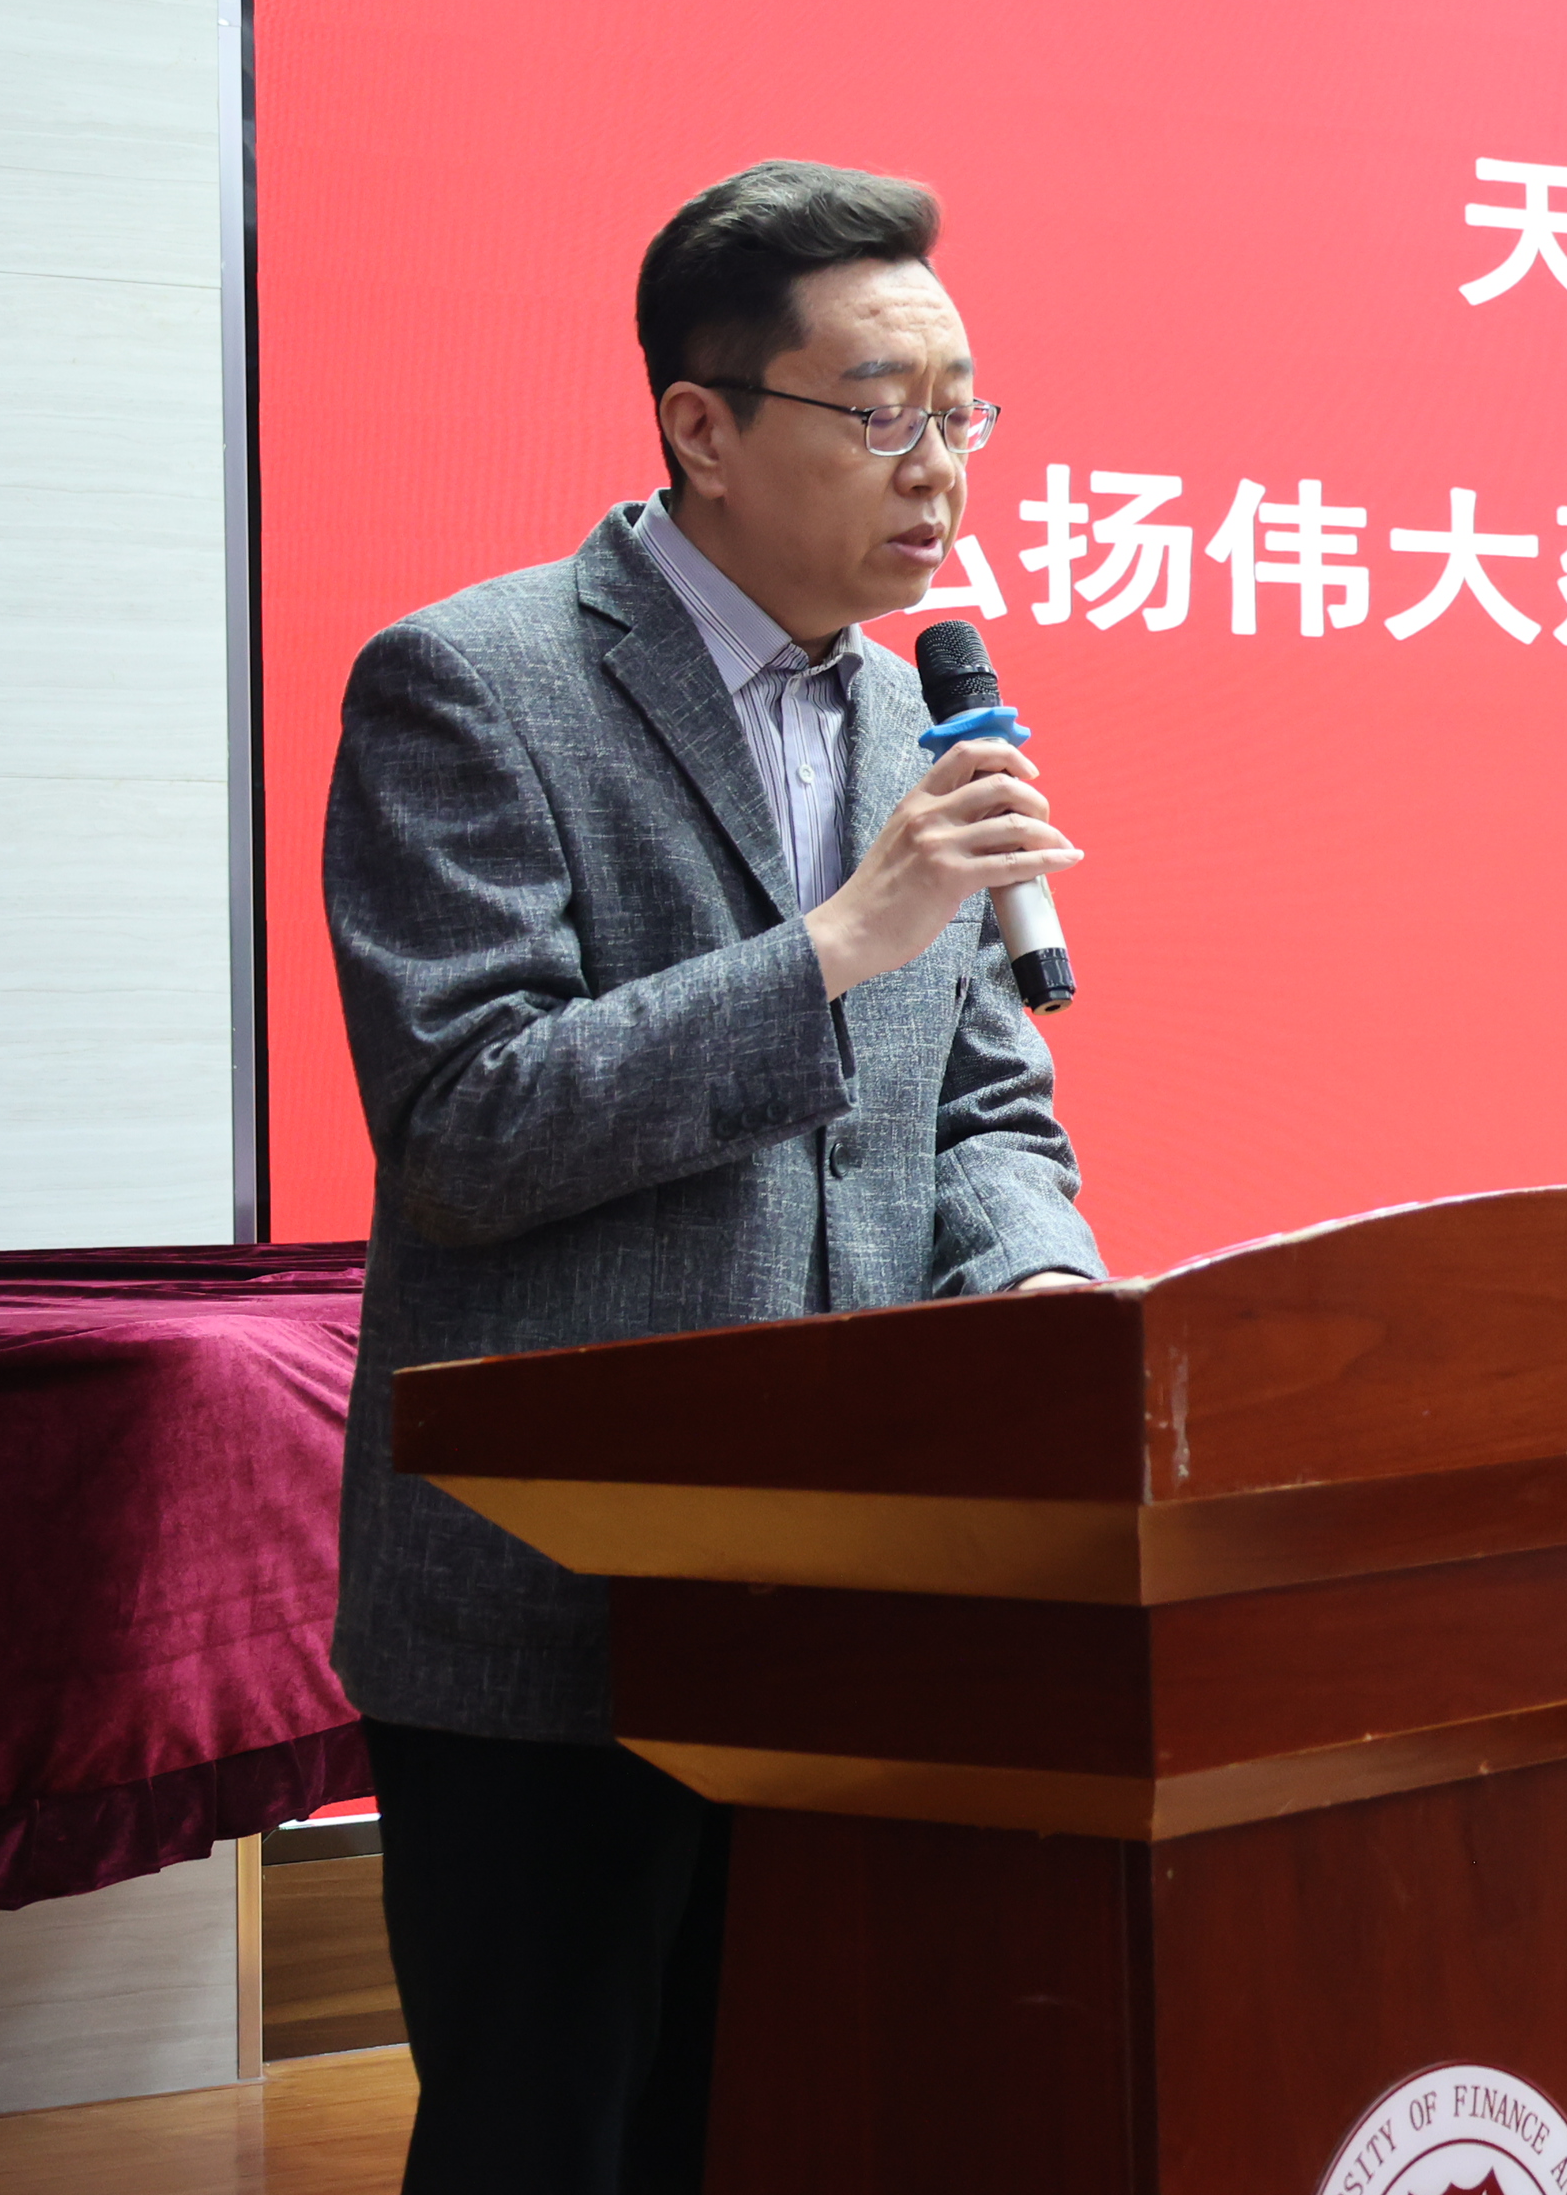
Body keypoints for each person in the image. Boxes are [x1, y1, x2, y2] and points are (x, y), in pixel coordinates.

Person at [321, 160, 1103, 2194]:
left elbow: (982, 1111)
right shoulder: (474, 683)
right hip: (559, 1606)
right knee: (552, 2144)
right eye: (884, 410)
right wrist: (833, 945)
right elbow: (467, 1124)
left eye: (965, 412)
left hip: (842, 1603)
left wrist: (1037, 1293)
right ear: (703, 425)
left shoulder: (915, 719)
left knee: (791, 2123)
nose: (940, 466)